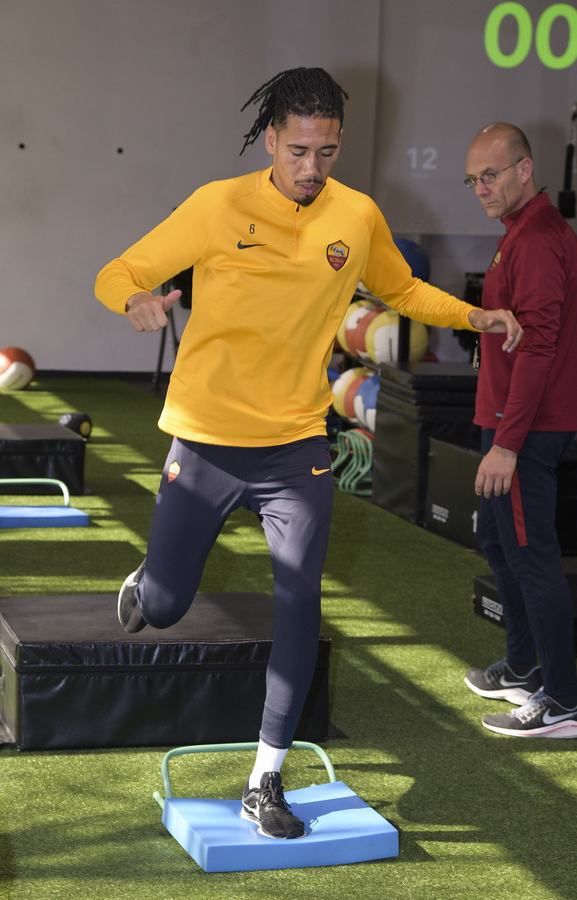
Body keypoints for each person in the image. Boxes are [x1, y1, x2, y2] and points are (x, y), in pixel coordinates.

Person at [95, 68, 521, 838]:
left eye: (327, 151)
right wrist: (136, 299)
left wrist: (475, 316)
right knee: (165, 606)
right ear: (271, 140)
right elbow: (118, 270)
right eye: (298, 151)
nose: (312, 168)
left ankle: (265, 778)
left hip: (295, 447)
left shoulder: (354, 215)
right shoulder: (217, 205)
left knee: (299, 603)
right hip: (207, 439)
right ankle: (150, 583)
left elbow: (400, 290)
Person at [463, 122, 577, 738]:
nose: (481, 188)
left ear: (525, 169)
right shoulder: (519, 232)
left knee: (532, 557)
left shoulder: (536, 239)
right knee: (498, 541)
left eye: (491, 175)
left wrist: (507, 443)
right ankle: (525, 666)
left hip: (525, 430)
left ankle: (563, 700)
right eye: (473, 179)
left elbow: (538, 348)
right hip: (505, 420)